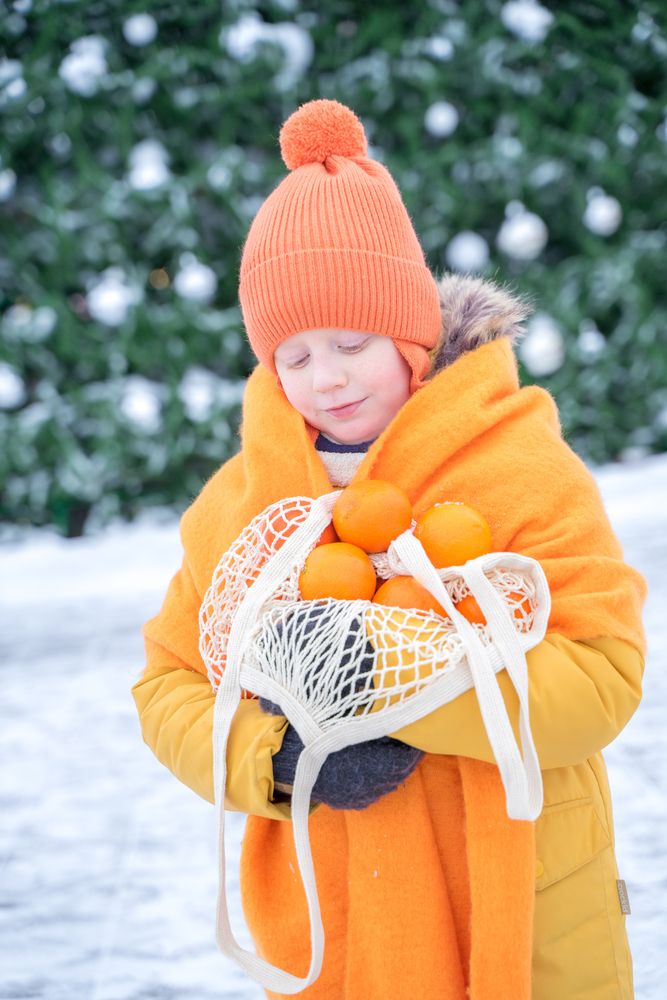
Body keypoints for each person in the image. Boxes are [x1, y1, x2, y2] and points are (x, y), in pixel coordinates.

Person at [131, 99, 646, 1000]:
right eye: (292, 357)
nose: (325, 379)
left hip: (520, 919)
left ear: (410, 331)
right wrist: (275, 760)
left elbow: (601, 680)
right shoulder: (242, 502)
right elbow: (168, 685)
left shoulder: (518, 463)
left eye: (350, 342)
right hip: (339, 935)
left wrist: (390, 682)